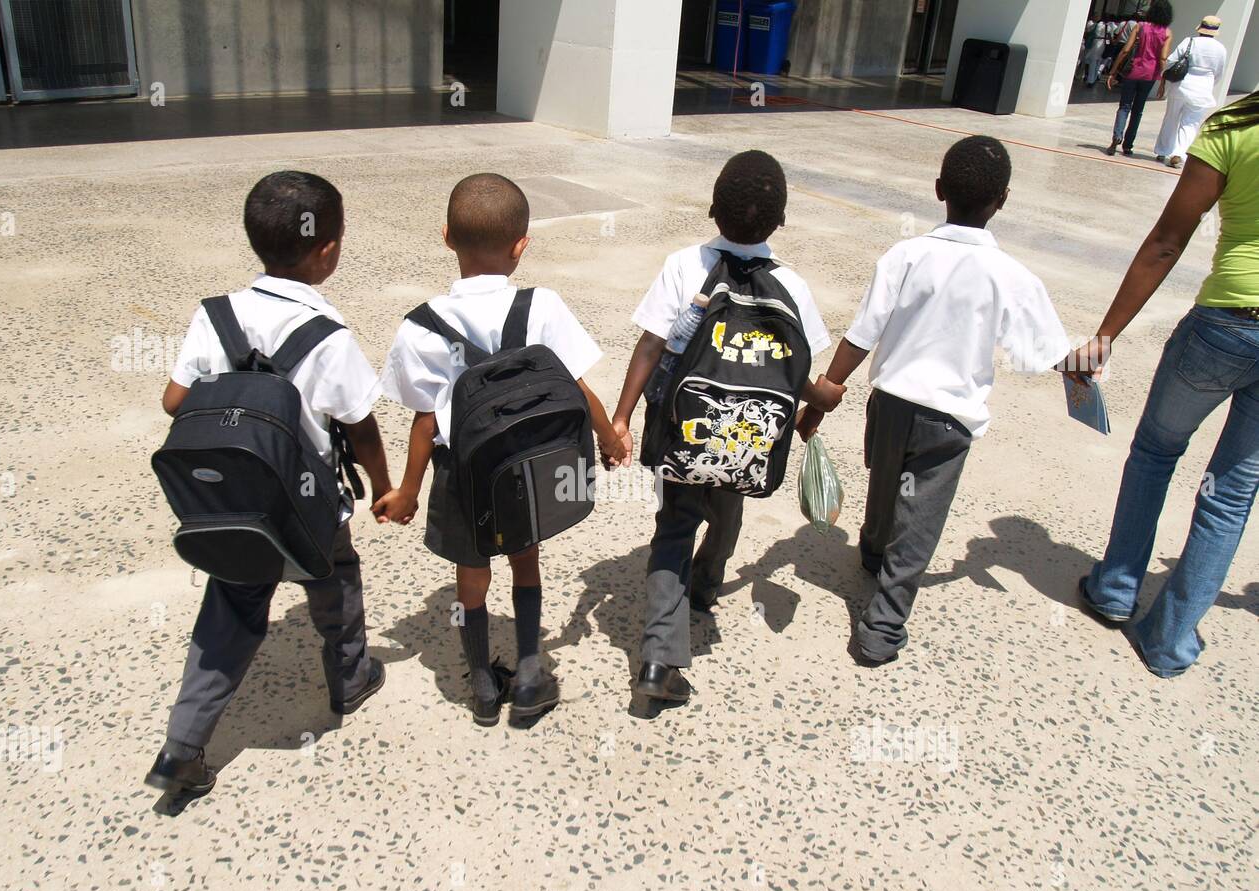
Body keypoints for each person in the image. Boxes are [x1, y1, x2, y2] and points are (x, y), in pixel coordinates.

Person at [146, 171, 393, 796]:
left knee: (230, 605)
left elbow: (175, 399)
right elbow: (360, 428)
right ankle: (350, 677)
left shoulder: (215, 315)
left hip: (232, 502)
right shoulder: (328, 337)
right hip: (307, 506)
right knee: (334, 578)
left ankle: (183, 747)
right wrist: (386, 486)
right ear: (329, 250)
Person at [798, 136, 1074, 666]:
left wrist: (823, 398)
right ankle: (881, 627)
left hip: (891, 404)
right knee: (920, 518)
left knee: (884, 483)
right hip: (948, 420)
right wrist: (1089, 360)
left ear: (939, 189)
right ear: (1005, 199)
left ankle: (873, 550)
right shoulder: (1012, 276)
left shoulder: (906, 254)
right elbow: (1047, 352)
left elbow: (862, 333)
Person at [379, 173, 628, 727]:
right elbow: (578, 387)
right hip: (531, 462)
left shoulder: (420, 326)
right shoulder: (543, 305)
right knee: (525, 557)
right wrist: (609, 438)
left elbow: (424, 421)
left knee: (473, 570)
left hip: (461, 470)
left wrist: (407, 491)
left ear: (446, 237)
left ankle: (484, 685)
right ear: (522, 245)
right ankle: (533, 670)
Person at [610, 150, 834, 705]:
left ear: (712, 208)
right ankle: (707, 586)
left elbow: (651, 344)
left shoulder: (684, 265)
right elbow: (800, 371)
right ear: (781, 220)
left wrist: (620, 417)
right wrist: (819, 401)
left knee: (674, 525)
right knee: (728, 509)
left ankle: (660, 658)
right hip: (747, 441)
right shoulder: (794, 287)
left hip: (683, 432)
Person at [1075, 92, 1259, 678]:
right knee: (1230, 494)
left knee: (1157, 451)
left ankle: (1115, 588)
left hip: (1226, 324)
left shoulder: (1236, 125)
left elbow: (1166, 241)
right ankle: (1171, 640)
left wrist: (1106, 334)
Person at [1154, 15, 1227, 168]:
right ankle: (1178, 154)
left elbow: (1172, 61)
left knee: (1171, 118)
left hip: (1181, 85)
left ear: (1200, 27)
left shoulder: (1190, 41)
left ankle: (1163, 150)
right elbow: (1219, 73)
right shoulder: (1221, 49)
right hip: (1203, 89)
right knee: (1190, 123)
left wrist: (1164, 79)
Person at [1105, 1, 1175, 158]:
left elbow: (1126, 50)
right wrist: (1163, 81)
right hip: (1150, 75)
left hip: (1133, 72)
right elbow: (1163, 58)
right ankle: (1128, 145)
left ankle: (1117, 136)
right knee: (1138, 110)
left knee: (1124, 106)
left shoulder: (1140, 26)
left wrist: (1113, 72)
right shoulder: (1167, 33)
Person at [1083, 19, 1108, 87]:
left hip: (1095, 43)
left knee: (1092, 62)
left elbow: (1088, 30)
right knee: (1098, 62)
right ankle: (1094, 78)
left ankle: (1090, 80)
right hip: (1103, 45)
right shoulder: (1107, 26)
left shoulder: (1096, 25)